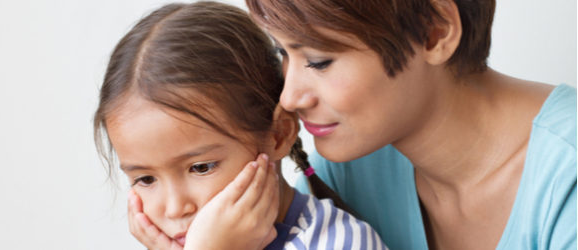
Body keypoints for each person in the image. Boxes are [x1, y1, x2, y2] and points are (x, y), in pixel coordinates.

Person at [245, 0, 576, 249]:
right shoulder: (348, 172)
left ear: (434, 32)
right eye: (282, 52)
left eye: (319, 61)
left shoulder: (566, 178)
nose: (289, 98)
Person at [93, 2, 387, 249]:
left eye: (201, 167)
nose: (174, 208)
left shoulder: (338, 242)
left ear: (278, 135)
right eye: (145, 179)